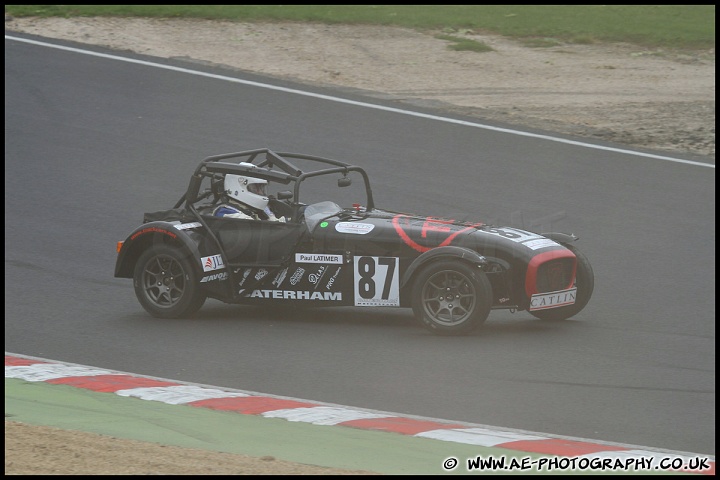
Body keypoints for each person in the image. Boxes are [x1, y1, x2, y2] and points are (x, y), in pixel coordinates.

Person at [213, 164, 286, 222]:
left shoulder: (261, 209)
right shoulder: (227, 212)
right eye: (255, 188)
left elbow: (276, 223)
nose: (260, 192)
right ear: (237, 187)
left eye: (261, 188)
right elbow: (258, 229)